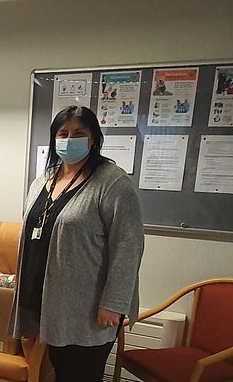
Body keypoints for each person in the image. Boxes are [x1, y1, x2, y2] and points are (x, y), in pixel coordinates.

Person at [11, 106, 144, 382]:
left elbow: (128, 246)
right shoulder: (42, 181)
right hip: (49, 300)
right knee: (60, 369)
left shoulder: (113, 183)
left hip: (89, 307)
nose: (69, 139)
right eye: (63, 133)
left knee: (80, 374)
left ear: (93, 139)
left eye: (79, 133)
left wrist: (114, 302)